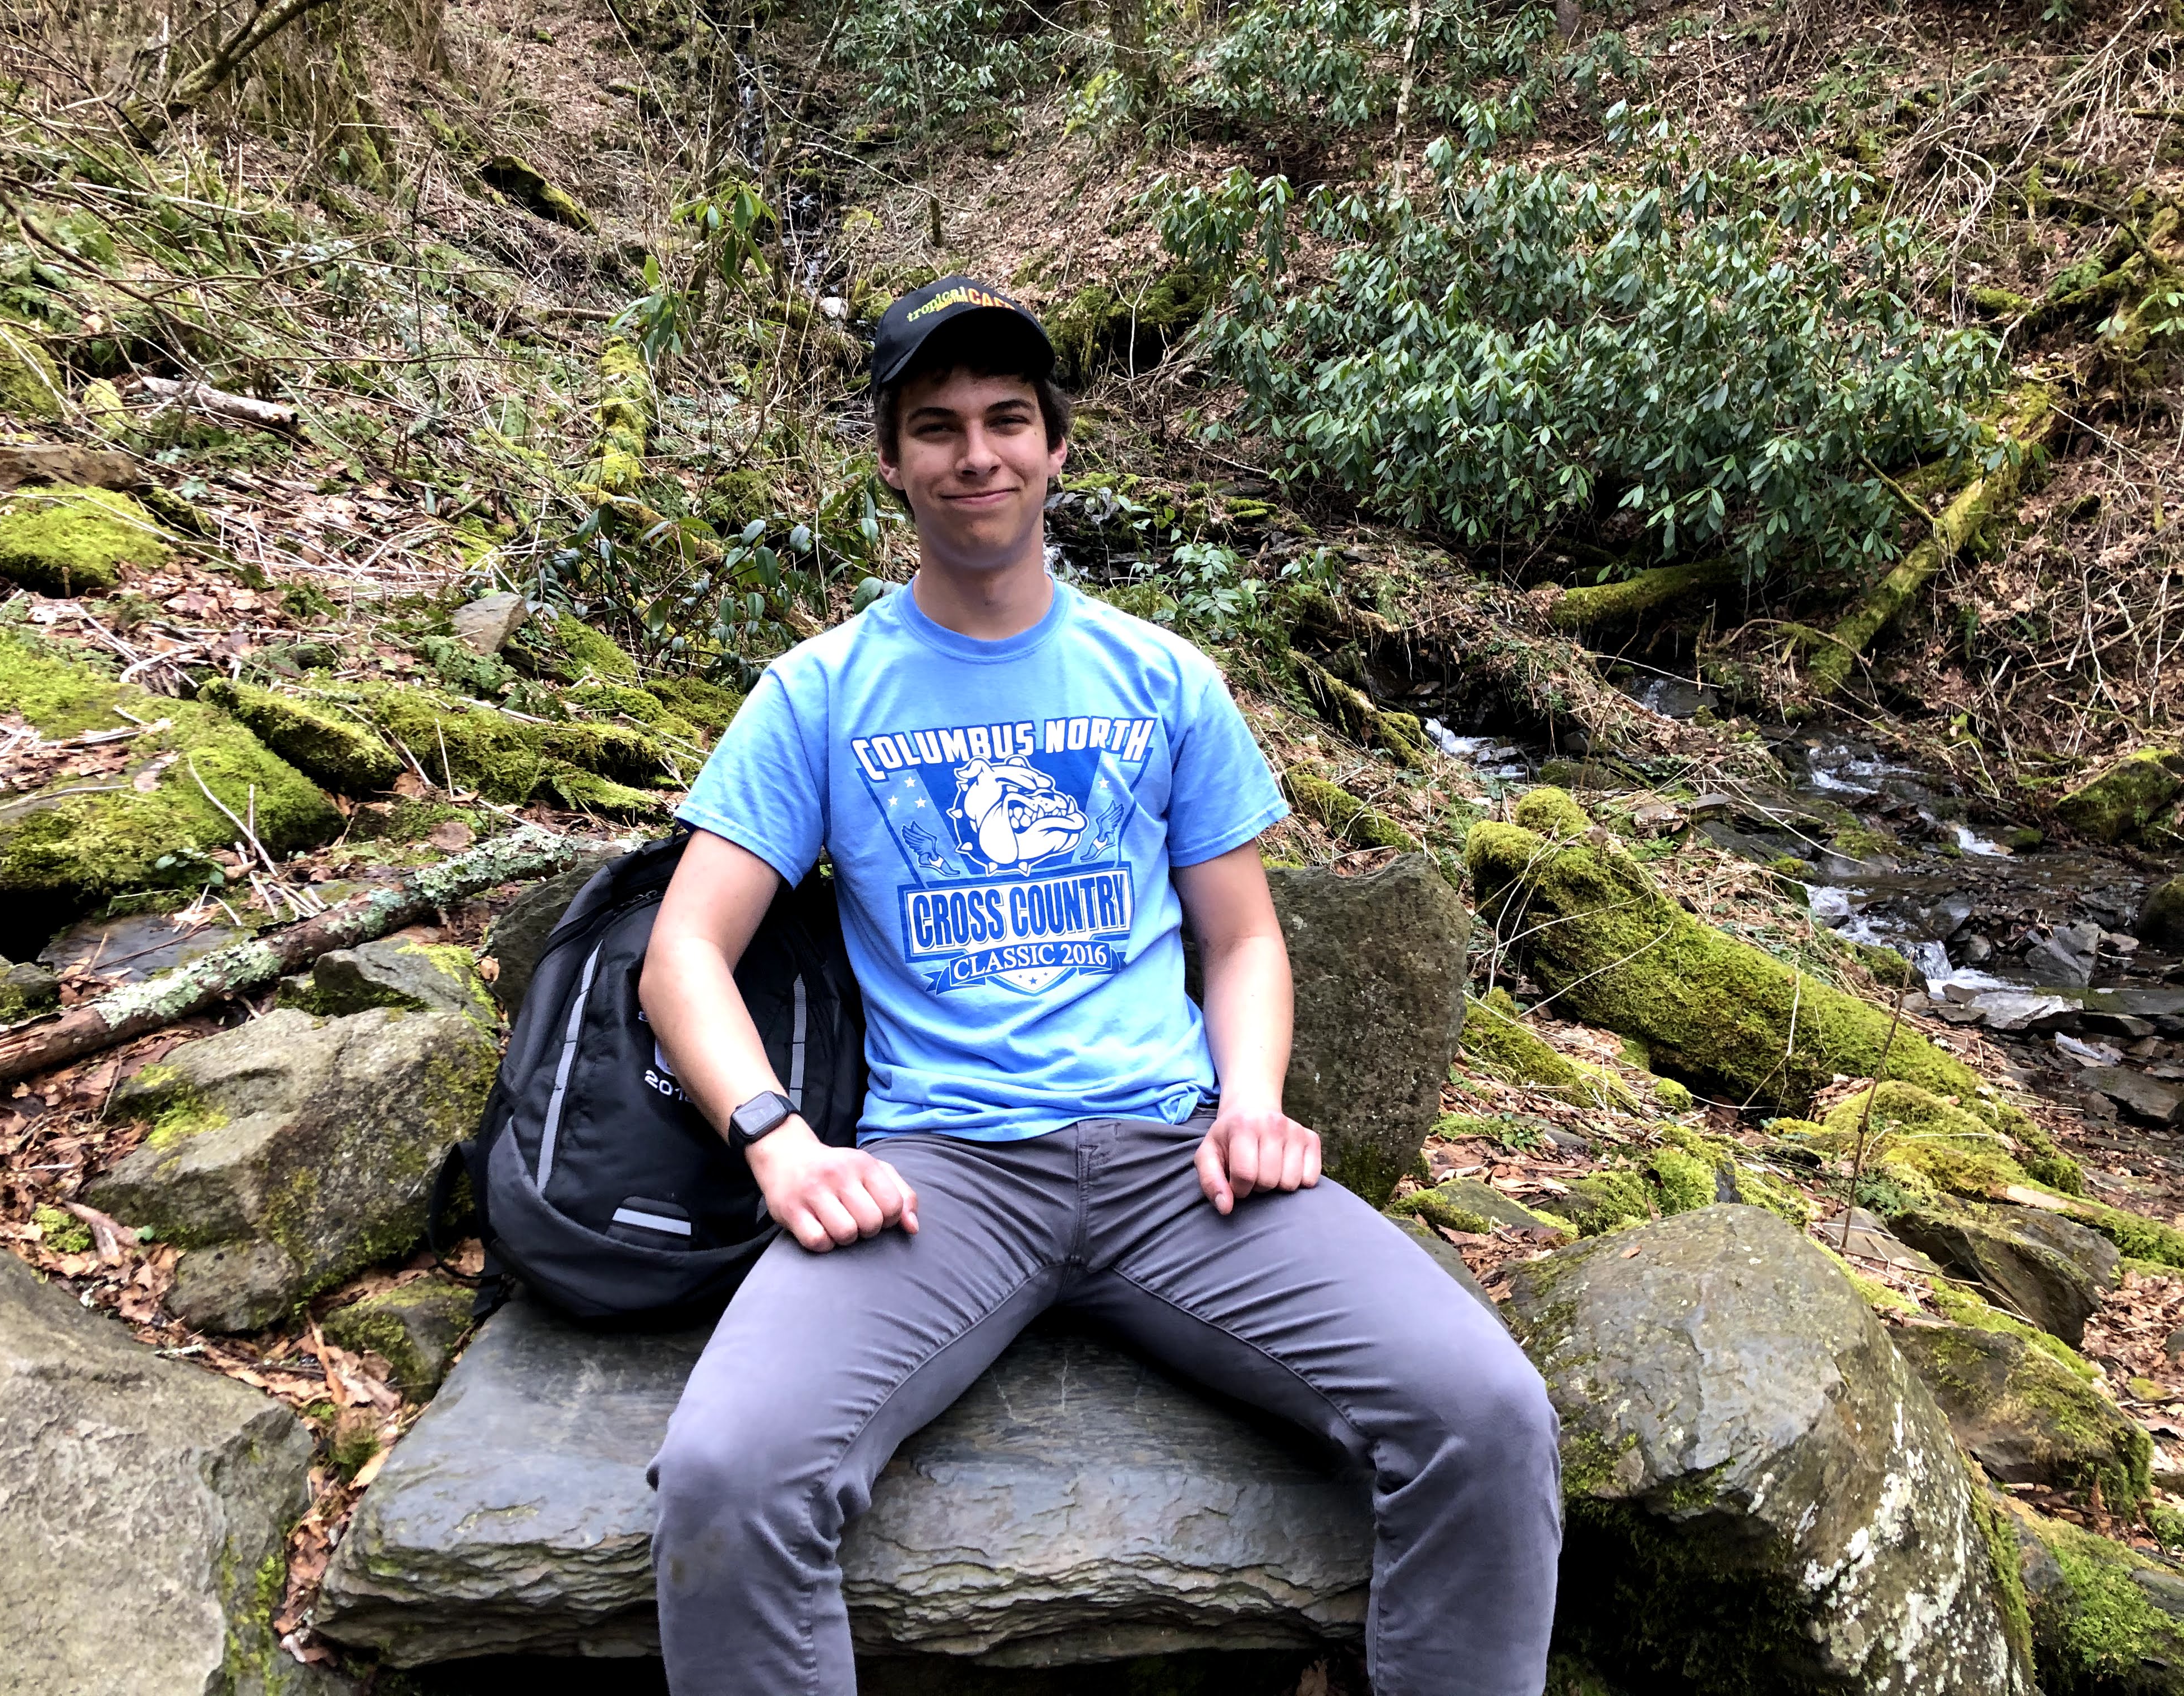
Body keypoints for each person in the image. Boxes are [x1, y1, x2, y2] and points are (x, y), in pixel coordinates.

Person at [638, 275, 1562, 1696]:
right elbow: (682, 953)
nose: (977, 454)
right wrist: (777, 1137)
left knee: (1488, 1412)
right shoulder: (818, 696)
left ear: (1057, 447)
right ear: (890, 463)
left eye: (1009, 418)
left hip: (1174, 1167)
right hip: (939, 1177)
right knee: (727, 1473)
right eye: (935, 426)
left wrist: (1252, 1102)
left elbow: (1243, 938)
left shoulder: (1163, 679)